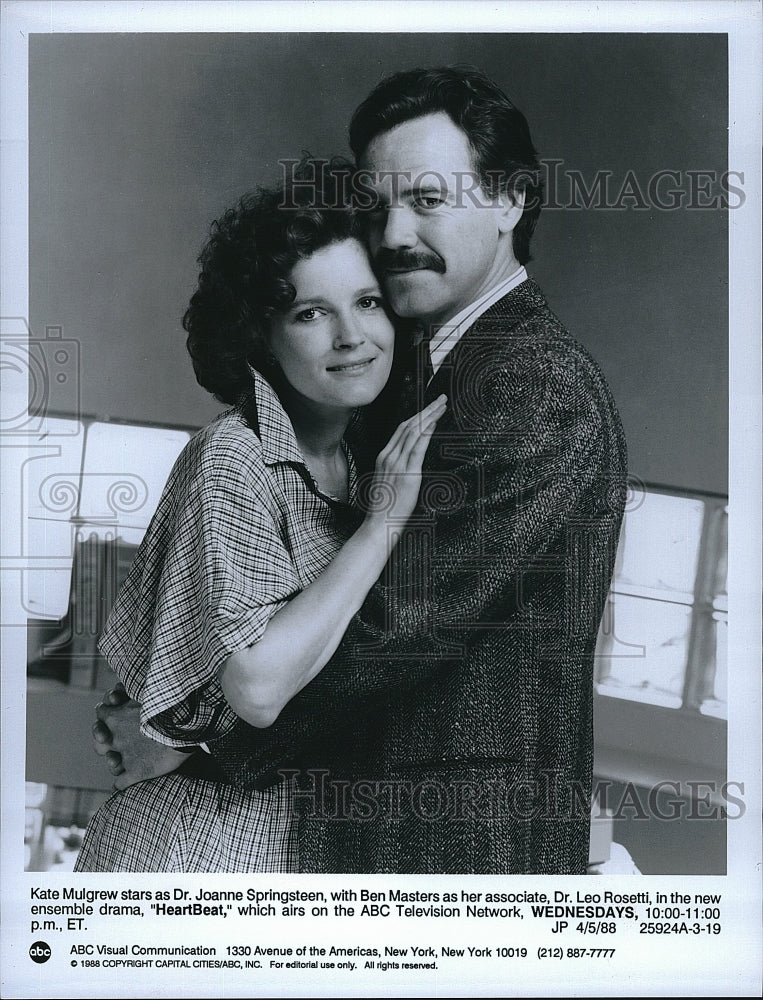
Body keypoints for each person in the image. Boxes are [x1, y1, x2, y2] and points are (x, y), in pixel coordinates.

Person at [93, 66, 627, 875]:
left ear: (510, 200)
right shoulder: (408, 384)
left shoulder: (528, 383)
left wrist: (192, 742)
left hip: (448, 840)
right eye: (379, 206)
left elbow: (397, 632)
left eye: (430, 199)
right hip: (372, 827)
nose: (395, 233)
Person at [74, 163, 446, 871]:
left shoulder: (365, 464)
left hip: (303, 840)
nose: (351, 336)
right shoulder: (233, 456)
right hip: (197, 844)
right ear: (260, 335)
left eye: (368, 303)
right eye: (310, 313)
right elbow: (259, 686)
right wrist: (382, 525)